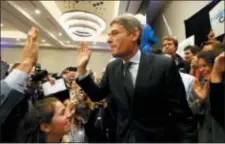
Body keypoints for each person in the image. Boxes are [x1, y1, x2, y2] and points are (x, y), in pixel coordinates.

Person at [75, 14, 197, 142]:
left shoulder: (163, 65)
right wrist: (82, 70)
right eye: (109, 34)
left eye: (114, 33)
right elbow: (97, 95)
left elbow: (182, 115)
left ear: (134, 35)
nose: (108, 40)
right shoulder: (112, 67)